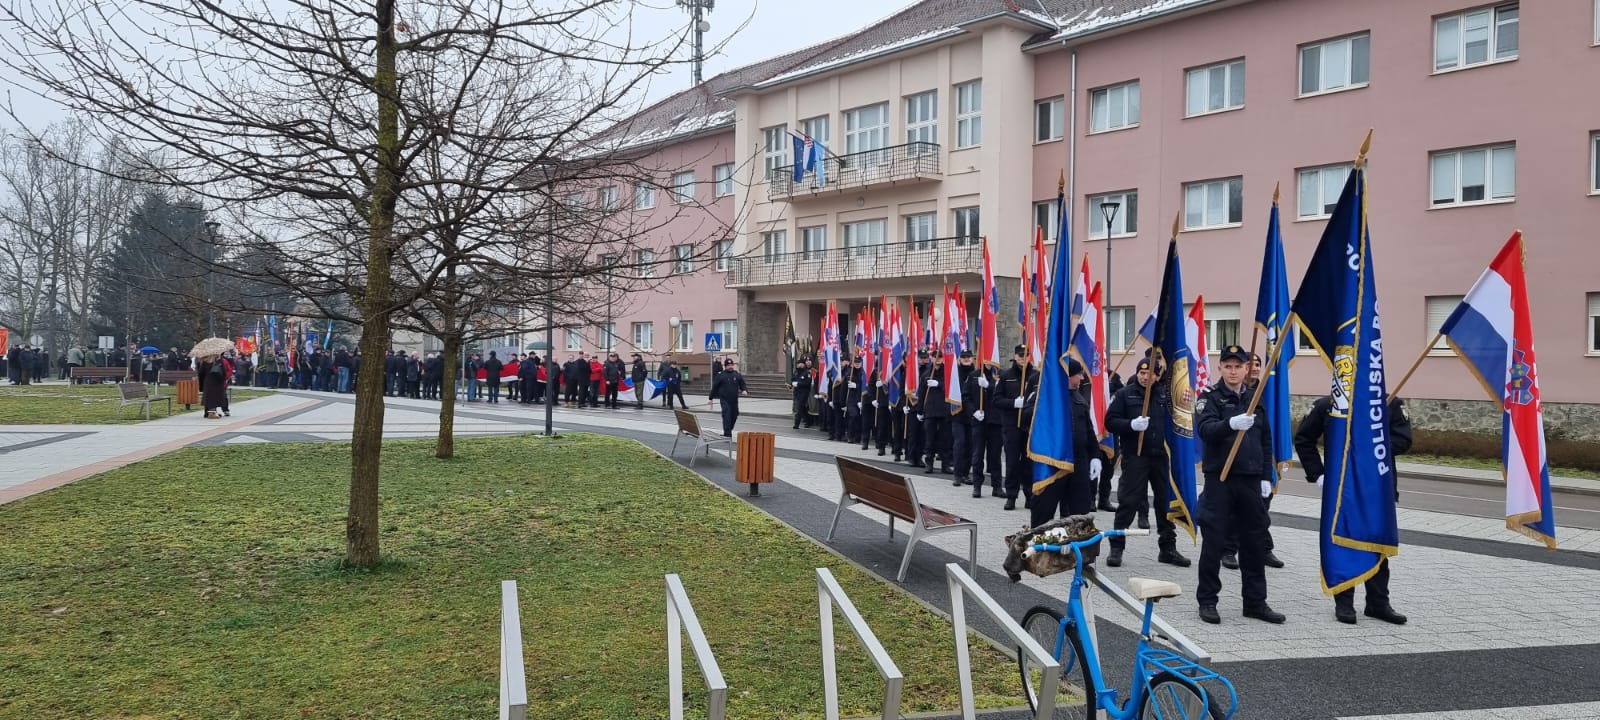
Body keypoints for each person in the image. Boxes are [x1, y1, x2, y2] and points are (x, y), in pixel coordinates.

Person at [1296, 394, 1413, 625]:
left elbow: (1403, 440)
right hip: (1342, 489)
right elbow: (1303, 439)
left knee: (1377, 544)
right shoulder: (1328, 405)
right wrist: (1318, 474)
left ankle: (1378, 603)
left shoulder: (1388, 403)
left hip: (1376, 488)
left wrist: (1368, 441)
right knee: (1343, 542)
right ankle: (1344, 602)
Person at [1194, 344, 1283, 625]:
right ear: (1220, 368)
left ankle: (1255, 602)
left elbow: (1265, 440)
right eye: (1228, 366)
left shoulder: (1255, 399)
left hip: (1250, 481)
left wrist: (1267, 476)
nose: (1233, 372)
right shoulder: (1208, 397)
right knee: (1215, 542)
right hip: (1220, 480)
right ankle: (1208, 600)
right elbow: (1205, 431)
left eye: (1239, 366)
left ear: (1247, 369)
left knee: (1254, 543)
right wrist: (1230, 423)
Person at [1104, 357, 1191, 569]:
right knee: (1128, 502)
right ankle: (1117, 547)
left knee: (1165, 503)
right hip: (1136, 456)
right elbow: (1110, 421)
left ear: (1157, 375)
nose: (1145, 377)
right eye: (1142, 373)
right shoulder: (1126, 394)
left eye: (1150, 373)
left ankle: (1168, 548)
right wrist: (1131, 425)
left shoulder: (1164, 395)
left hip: (1161, 457)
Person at [1029, 359, 1102, 527]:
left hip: (1078, 463)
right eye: (1079, 374)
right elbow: (1027, 420)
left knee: (1080, 515)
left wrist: (1096, 456)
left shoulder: (1079, 398)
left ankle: (1077, 550)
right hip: (1053, 462)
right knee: (1043, 511)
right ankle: (1040, 549)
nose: (1082, 378)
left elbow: (1089, 432)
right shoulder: (1045, 396)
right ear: (1069, 376)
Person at [996, 345, 1038, 511]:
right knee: (1012, 463)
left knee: (1028, 463)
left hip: (1029, 426)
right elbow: (997, 400)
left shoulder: (1035, 376)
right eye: (1020, 355)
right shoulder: (1006, 376)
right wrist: (1013, 403)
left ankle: (1029, 495)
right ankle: (1011, 496)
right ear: (1015, 356)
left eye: (1026, 355)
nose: (1023, 358)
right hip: (1011, 425)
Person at [708, 358, 748, 436]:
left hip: (734, 400)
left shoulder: (736, 374)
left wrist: (744, 390)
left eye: (731, 365)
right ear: (725, 366)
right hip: (724, 400)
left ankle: (728, 429)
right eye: (728, 365)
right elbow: (715, 387)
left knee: (735, 415)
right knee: (726, 415)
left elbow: (742, 383)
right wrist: (710, 398)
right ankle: (727, 434)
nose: (730, 367)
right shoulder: (721, 375)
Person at [790, 358, 813, 429]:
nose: (799, 365)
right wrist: (793, 382)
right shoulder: (796, 372)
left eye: (800, 363)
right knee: (802, 408)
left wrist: (798, 384)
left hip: (804, 392)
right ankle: (808, 420)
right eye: (798, 364)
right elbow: (793, 379)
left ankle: (796, 424)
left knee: (799, 407)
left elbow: (807, 383)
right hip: (797, 392)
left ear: (803, 364)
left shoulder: (807, 372)